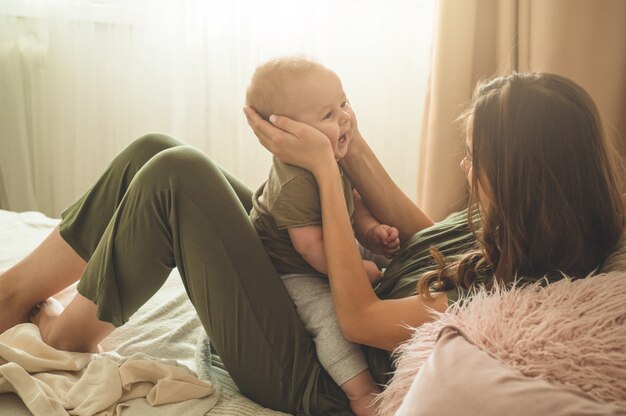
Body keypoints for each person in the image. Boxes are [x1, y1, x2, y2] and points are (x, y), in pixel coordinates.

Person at [0, 72, 623, 416]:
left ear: (524, 176)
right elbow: (423, 234)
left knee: (177, 176)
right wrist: (344, 133)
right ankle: (17, 293)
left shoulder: (505, 298)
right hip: (312, 293)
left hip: (314, 370)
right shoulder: (512, 220)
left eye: (475, 156)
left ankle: (64, 336)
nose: (464, 163)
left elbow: (358, 318)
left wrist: (327, 171)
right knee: (154, 150)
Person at [245, 57, 399, 415]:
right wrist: (359, 269)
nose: (344, 118)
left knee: (390, 260)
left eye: (343, 103)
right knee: (330, 320)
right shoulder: (296, 183)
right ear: (288, 134)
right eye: (327, 115)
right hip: (294, 269)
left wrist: (371, 231)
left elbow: (354, 204)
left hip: (331, 244)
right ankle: (361, 392)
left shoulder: (333, 153)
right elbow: (311, 248)